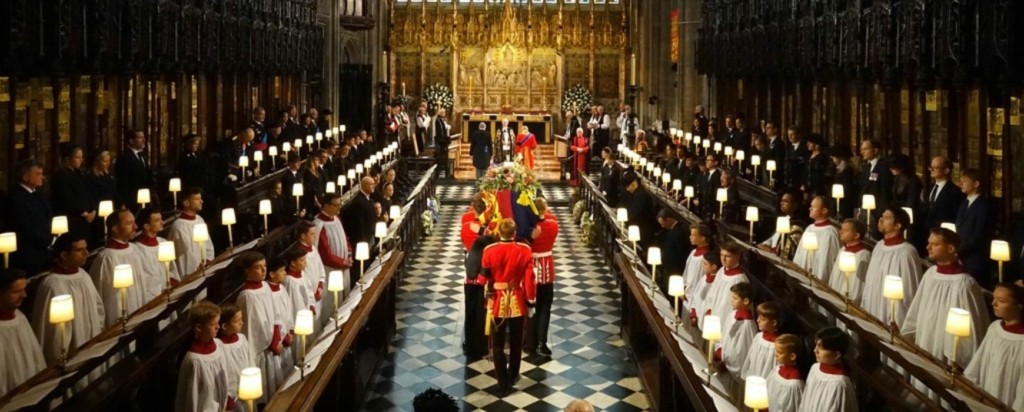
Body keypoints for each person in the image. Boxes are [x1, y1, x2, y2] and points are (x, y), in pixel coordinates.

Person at [901, 228, 989, 400]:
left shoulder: (965, 283)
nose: (928, 247)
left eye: (934, 244)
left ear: (951, 248)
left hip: (946, 348)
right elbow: (917, 308)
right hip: (926, 340)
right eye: (929, 243)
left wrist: (960, 358)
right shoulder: (930, 274)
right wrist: (907, 336)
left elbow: (971, 328)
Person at [32, 234, 105, 368]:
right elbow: (51, 330)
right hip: (69, 350)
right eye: (79, 250)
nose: (86, 253)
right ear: (64, 255)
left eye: (86, 248)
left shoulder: (83, 275)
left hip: (91, 338)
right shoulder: (52, 285)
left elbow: (97, 306)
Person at [481, 219, 534, 395]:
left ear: (499, 233)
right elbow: (530, 279)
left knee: (497, 344)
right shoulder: (524, 250)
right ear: (514, 233)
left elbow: (483, 278)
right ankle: (513, 374)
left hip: (496, 302)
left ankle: (502, 381)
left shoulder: (489, 250)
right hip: (517, 300)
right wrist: (531, 301)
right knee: (516, 341)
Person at [964, 283, 1024, 410]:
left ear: (1019, 306)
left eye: (1001, 301)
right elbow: (980, 361)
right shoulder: (995, 328)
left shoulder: (1021, 341)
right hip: (988, 392)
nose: (993, 304)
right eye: (994, 298)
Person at [861, 206, 923, 329]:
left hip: (892, 312)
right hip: (874, 303)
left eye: (887, 218)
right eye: (882, 217)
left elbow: (909, 289)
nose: (881, 220)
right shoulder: (879, 246)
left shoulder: (907, 252)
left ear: (897, 226)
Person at [90, 209, 154, 326]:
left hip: (139, 309)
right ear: (115, 228)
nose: (135, 227)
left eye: (134, 222)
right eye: (129, 223)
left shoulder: (134, 249)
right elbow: (102, 292)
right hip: (118, 317)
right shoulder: (106, 257)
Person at [235, 251, 282, 402]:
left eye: (265, 266)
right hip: (259, 351)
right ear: (247, 271)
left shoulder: (266, 286)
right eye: (257, 267)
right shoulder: (247, 296)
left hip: (270, 346)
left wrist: (276, 338)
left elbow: (275, 313)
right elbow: (253, 329)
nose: (263, 270)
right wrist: (270, 342)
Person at [175, 301, 230, 412]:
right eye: (213, 324)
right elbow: (193, 398)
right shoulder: (194, 360)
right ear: (198, 327)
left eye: (218, 322)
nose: (218, 327)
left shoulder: (218, 345)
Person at [0, 268, 46, 396]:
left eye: (24, 289)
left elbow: (35, 356)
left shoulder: (20, 317)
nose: (24, 295)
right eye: (16, 291)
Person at [6, 160, 52, 274]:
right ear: (25, 177)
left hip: (43, 249)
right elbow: (25, 226)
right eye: (38, 174)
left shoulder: (38, 194)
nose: (42, 177)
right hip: (27, 253)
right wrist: (48, 239)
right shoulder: (16, 198)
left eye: (42, 174)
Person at [798, 327, 858, 412]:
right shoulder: (815, 368)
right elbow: (806, 400)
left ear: (837, 355)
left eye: (821, 348)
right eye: (816, 345)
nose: (815, 350)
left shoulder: (840, 383)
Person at [527, 198, 559, 356]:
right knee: (545, 307)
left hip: (531, 269)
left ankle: (530, 341)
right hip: (546, 269)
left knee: (530, 306)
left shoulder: (528, 227)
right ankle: (542, 342)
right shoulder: (552, 225)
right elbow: (550, 218)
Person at [51, 145, 98, 246]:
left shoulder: (79, 174)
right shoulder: (61, 175)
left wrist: (93, 209)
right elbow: (66, 198)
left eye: (81, 157)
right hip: (73, 219)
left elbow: (89, 192)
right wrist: (83, 212)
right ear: (67, 159)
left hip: (86, 218)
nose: (81, 160)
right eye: (77, 157)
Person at [133, 207, 180, 306]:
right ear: (146, 226)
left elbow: (172, 268)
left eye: (161, 219)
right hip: (151, 298)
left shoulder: (163, 242)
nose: (162, 222)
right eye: (157, 220)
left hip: (167, 293)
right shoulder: (137, 249)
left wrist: (172, 282)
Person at [167, 187, 216, 279]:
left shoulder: (199, 219)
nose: (201, 201)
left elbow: (207, 244)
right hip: (188, 273)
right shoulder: (178, 226)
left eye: (200, 198)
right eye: (197, 199)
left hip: (204, 269)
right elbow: (186, 253)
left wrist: (207, 260)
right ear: (186, 203)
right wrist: (196, 268)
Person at [955, 168, 994, 284]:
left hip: (974, 259)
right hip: (961, 256)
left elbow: (978, 236)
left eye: (964, 181)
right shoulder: (964, 203)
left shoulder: (983, 207)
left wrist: (958, 251)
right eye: (960, 180)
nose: (960, 183)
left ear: (976, 184)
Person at [790, 197, 841, 283]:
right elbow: (800, 254)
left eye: (813, 207)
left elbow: (827, 261)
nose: (810, 208)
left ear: (824, 210)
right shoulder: (809, 228)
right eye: (811, 206)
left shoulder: (830, 233)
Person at [217, 304, 254, 412]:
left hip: (247, 387)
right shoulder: (219, 346)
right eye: (237, 321)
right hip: (231, 395)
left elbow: (250, 359)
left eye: (241, 319)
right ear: (224, 326)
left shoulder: (242, 339)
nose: (242, 323)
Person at [717, 282, 758, 379]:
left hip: (734, 369)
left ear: (746, 301)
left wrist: (729, 364)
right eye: (732, 297)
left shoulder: (747, 325)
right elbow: (725, 335)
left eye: (735, 298)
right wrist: (721, 351)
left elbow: (742, 351)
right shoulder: (733, 314)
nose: (732, 300)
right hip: (724, 360)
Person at [701, 243, 750, 323]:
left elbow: (740, 305)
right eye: (721, 255)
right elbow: (712, 292)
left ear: (737, 257)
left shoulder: (740, 278)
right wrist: (709, 309)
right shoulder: (721, 271)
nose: (723, 259)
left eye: (727, 256)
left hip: (727, 318)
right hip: (714, 315)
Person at [316, 194, 354, 296]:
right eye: (336, 205)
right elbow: (324, 254)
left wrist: (349, 254)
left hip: (344, 265)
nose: (339, 207)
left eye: (340, 204)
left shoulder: (336, 218)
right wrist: (343, 262)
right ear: (326, 206)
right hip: (330, 270)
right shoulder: (319, 225)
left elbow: (345, 239)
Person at [827, 219, 871, 305]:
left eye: (845, 230)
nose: (840, 232)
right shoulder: (843, 250)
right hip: (836, 295)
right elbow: (835, 275)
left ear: (856, 235)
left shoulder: (863, 256)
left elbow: (858, 285)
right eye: (841, 229)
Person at [265, 256, 295, 375]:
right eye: (282, 270)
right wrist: (280, 338)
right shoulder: (267, 293)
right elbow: (273, 319)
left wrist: (290, 331)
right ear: (272, 274)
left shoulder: (281, 288)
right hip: (277, 340)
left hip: (286, 336)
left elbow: (288, 310)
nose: (285, 273)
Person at [740, 301, 782, 381]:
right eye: (758, 317)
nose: (758, 320)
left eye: (762, 319)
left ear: (774, 322)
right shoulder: (758, 337)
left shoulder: (776, 346)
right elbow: (750, 358)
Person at [116, 130, 154, 212]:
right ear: (131, 141)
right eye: (140, 138)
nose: (144, 140)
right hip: (133, 200)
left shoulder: (142, 155)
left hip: (145, 197)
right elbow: (123, 182)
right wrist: (124, 203)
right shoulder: (125, 158)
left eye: (144, 137)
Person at [857, 139, 893, 226]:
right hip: (864, 209)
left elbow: (885, 192)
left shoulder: (884, 166)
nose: (862, 152)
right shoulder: (867, 166)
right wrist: (860, 208)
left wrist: (881, 214)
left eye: (865, 149)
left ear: (875, 150)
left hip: (877, 212)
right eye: (862, 149)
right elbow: (863, 188)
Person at [655, 209, 691, 292]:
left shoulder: (679, 232)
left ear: (668, 219)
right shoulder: (672, 230)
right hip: (669, 267)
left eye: (663, 223)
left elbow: (682, 253)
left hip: (675, 269)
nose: (662, 226)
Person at [766, 334, 805, 412]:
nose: (776, 354)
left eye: (780, 352)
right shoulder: (777, 369)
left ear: (792, 356)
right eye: (776, 351)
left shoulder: (794, 383)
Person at [688, 248, 721, 328]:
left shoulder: (717, 283)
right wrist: (693, 314)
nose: (702, 265)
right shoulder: (704, 279)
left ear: (714, 267)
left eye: (705, 264)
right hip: (697, 319)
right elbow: (695, 297)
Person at [683, 224, 715, 305]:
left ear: (702, 238)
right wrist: (684, 287)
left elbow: (700, 277)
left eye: (693, 235)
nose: (690, 237)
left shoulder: (706, 257)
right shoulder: (693, 252)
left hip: (697, 296)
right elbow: (686, 272)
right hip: (687, 293)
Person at [622, 172, 655, 249]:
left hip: (642, 231)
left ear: (634, 183)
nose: (627, 189)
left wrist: (624, 221)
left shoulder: (642, 196)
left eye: (628, 186)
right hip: (636, 227)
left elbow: (635, 214)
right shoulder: (635, 193)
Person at [433, 108, 451, 178]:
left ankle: (442, 169)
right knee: (440, 156)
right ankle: (439, 170)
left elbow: (443, 129)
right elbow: (440, 131)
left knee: (442, 155)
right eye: (444, 113)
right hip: (441, 141)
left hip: (442, 141)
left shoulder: (440, 119)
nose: (445, 114)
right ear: (441, 113)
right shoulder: (438, 120)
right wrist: (445, 138)